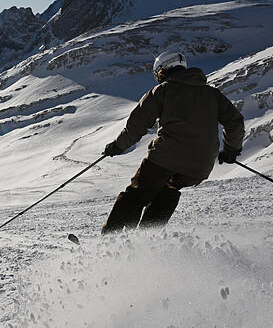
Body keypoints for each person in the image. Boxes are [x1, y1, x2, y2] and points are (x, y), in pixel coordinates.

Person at [101, 52, 244, 234]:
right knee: (168, 190)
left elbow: (138, 124)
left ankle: (110, 242)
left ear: (162, 70)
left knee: (136, 194)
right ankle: (145, 242)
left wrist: (118, 145)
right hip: (199, 166)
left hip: (165, 157)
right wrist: (231, 149)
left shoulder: (163, 91)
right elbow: (235, 122)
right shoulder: (212, 94)